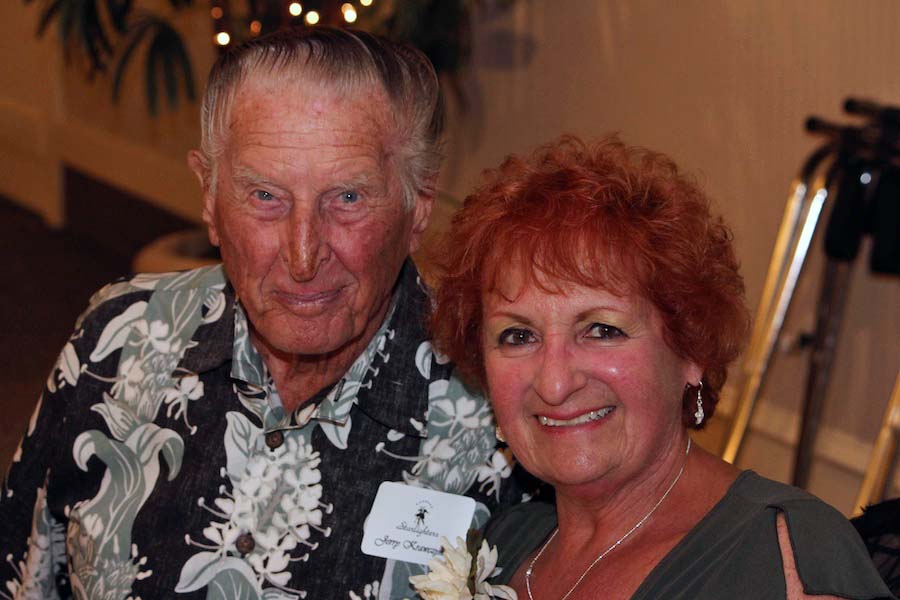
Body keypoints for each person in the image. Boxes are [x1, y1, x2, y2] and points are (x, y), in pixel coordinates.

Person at [0, 29, 522, 599]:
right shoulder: (121, 336)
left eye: (348, 198)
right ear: (209, 195)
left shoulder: (498, 408)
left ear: (418, 206)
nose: (303, 256)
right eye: (265, 197)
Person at [429, 135, 894, 599]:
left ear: (691, 349)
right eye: (518, 336)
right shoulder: (500, 547)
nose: (554, 382)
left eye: (601, 330)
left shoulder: (784, 558)